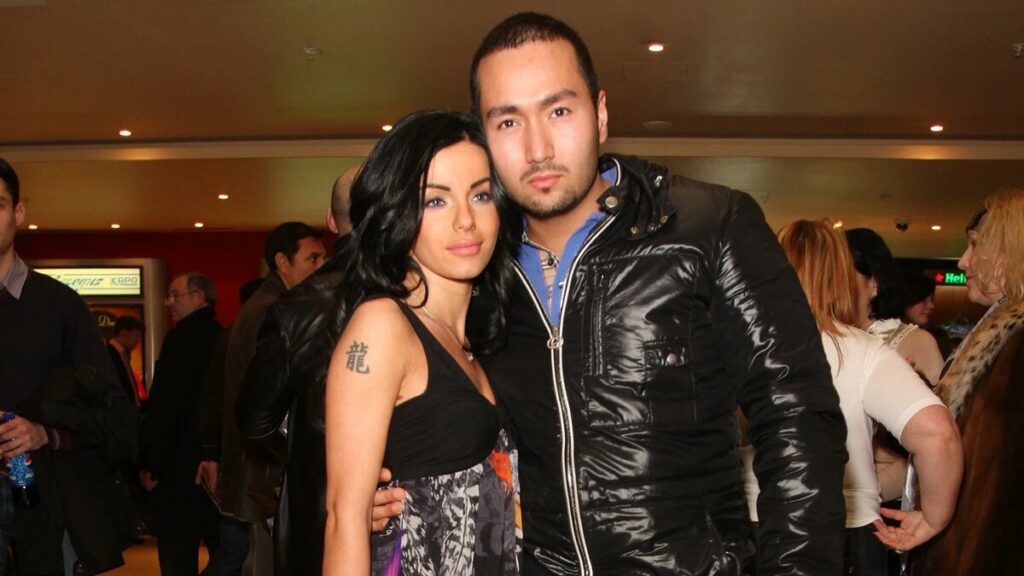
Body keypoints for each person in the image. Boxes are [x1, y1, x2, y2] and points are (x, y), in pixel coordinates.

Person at [377, 13, 847, 575]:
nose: (537, 147)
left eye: (558, 110)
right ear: (484, 136)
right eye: (508, 121)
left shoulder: (708, 225)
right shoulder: (476, 271)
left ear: (600, 113)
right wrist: (389, 490)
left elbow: (797, 417)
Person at [322, 110, 519, 574]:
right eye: (436, 201)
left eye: (480, 195)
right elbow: (344, 520)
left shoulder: (485, 333)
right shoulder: (382, 327)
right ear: (399, 213)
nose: (466, 220)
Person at [773, 220, 962, 575]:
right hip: (846, 532)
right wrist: (934, 518)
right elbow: (937, 435)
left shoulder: (733, 346)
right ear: (840, 278)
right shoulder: (863, 352)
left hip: (755, 526)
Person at [0, 157, 138, 574]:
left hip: (45, 505)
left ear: (18, 213)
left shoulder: (59, 307)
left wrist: (45, 433)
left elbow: (114, 414)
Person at [235, 165, 358, 575]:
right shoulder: (429, 290)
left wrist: (307, 444)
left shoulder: (296, 307)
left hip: (319, 508)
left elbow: (256, 422)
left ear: (331, 221)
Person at [197, 222, 324, 575]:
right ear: (282, 262)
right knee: (259, 562)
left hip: (256, 466)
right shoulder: (273, 309)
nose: (321, 266)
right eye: (312, 258)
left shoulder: (266, 305)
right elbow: (266, 398)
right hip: (263, 471)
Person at [916, 190, 1024, 575]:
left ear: (1011, 250)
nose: (963, 261)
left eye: (976, 245)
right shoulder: (997, 333)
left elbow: (1001, 480)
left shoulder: (1015, 343)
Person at [140, 272, 223, 576]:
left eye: (175, 295)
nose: (168, 303)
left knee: (177, 548)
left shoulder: (178, 341)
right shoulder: (223, 336)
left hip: (177, 461)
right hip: (215, 458)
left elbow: (165, 406)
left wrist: (151, 462)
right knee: (220, 545)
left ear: (199, 297)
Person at [846, 228, 944, 385]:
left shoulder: (918, 343)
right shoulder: (831, 341)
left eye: (843, 275)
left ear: (874, 282)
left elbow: (944, 398)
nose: (831, 286)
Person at [108, 315, 147, 406]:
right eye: (136, 335)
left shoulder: (122, 354)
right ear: (124, 334)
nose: (138, 340)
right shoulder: (110, 354)